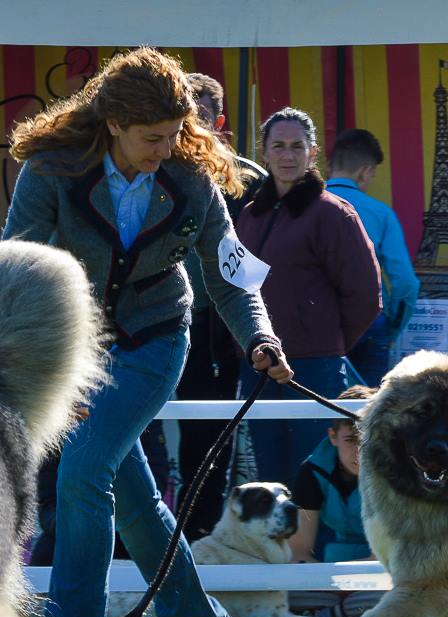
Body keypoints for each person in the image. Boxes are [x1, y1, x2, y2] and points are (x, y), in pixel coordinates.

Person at [1, 47, 293, 617]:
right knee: (130, 497)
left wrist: (261, 338)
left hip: (156, 340)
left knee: (82, 474)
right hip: (72, 350)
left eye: (174, 134)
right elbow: (16, 268)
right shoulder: (50, 168)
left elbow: (230, 274)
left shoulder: (190, 176)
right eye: (151, 138)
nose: (167, 149)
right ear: (113, 124)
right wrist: (42, 365)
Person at [236, 108, 381, 487]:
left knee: (314, 481)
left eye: (296, 146)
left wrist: (326, 344)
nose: (287, 155)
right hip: (258, 369)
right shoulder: (250, 216)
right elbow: (236, 289)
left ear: (312, 152)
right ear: (263, 152)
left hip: (314, 370)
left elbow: (366, 296)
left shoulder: (333, 213)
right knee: (269, 485)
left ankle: (318, 550)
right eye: (278, 146)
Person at [173, 72, 268, 542]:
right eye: (186, 113)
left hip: (221, 327)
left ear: (221, 119)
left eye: (203, 114)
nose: (194, 122)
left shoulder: (250, 181)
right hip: (156, 320)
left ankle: (199, 535)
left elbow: (270, 253)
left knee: (209, 440)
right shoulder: (153, 168)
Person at [326, 129, 420, 386]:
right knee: (366, 414)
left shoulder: (303, 207)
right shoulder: (381, 214)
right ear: (365, 172)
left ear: (329, 165)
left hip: (319, 326)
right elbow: (405, 283)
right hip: (369, 323)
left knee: (318, 412)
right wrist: (392, 327)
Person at [288, 385, 382, 617]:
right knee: (281, 589)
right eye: (351, 439)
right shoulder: (311, 471)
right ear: (332, 437)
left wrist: (335, 584)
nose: (360, 451)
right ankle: (340, 611)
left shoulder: (397, 471)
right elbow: (298, 552)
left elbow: (383, 558)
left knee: (392, 596)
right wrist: (333, 583)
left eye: (367, 438)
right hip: (333, 574)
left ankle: (327, 613)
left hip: (386, 571)